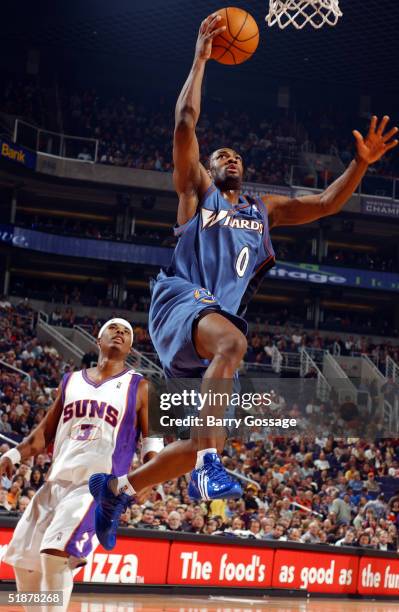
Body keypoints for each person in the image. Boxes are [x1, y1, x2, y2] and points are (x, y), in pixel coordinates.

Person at [89, 13, 398, 543]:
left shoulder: (263, 210)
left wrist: (361, 164)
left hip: (204, 329)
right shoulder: (196, 192)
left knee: (202, 439)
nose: (229, 157)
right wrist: (201, 58)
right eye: (220, 155)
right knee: (234, 342)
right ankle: (206, 465)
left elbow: (325, 203)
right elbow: (185, 122)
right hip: (180, 301)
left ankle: (117, 490)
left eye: (235, 155)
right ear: (208, 167)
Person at [0, 318, 156, 612]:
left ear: (131, 348)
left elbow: (152, 442)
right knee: (23, 564)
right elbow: (43, 434)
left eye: (126, 332)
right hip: (56, 483)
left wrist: (150, 477)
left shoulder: (141, 386)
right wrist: (11, 456)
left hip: (96, 486)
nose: (120, 333)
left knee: (54, 554)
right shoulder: (71, 381)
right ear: (98, 340)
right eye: (114, 329)